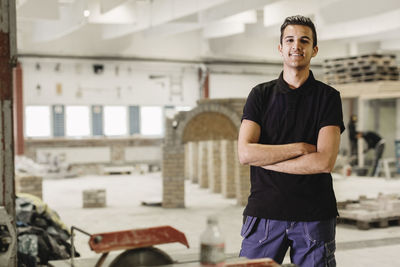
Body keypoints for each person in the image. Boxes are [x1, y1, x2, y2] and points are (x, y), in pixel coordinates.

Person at [237, 15, 345, 267]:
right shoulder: (260, 95)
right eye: (290, 40)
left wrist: (266, 160)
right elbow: (245, 154)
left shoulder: (328, 98)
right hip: (264, 215)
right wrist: (297, 148)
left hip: (314, 217)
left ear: (314, 50)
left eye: (304, 40)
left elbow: (323, 162)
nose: (297, 45)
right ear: (280, 48)